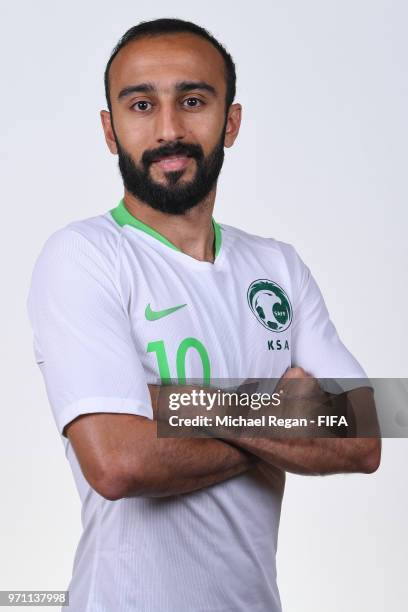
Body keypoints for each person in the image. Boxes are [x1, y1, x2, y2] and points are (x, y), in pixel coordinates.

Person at [27, 18, 381, 612]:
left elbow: (367, 436)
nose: (169, 129)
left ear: (231, 122)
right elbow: (118, 462)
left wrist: (171, 403)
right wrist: (278, 412)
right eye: (142, 104)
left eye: (193, 100)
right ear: (111, 132)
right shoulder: (83, 255)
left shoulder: (278, 266)